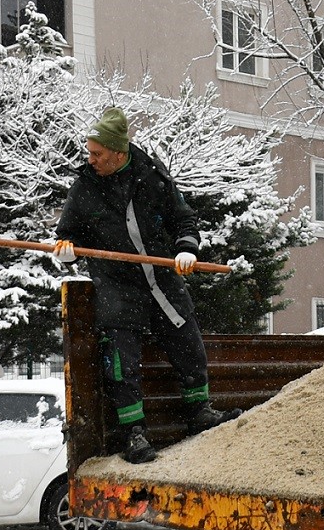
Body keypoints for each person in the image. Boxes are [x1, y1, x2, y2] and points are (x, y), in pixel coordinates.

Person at [54, 106, 233, 464]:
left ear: (119, 154)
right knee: (121, 359)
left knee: (187, 340)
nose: (90, 160)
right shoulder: (84, 187)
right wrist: (66, 249)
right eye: (89, 152)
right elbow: (66, 234)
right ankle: (133, 433)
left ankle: (200, 411)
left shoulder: (151, 175)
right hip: (117, 286)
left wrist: (186, 249)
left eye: (97, 154)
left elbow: (183, 219)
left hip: (161, 278)